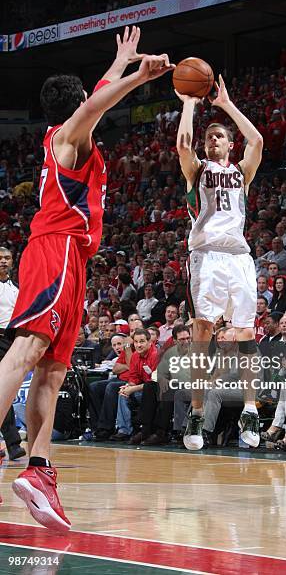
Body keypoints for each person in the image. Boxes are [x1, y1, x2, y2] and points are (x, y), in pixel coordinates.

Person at [0, 26, 174, 531]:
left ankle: (37, 468)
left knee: (52, 370)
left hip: (73, 259)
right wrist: (137, 78)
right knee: (27, 352)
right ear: (79, 106)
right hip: (53, 251)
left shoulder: (67, 135)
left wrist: (118, 63)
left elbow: (91, 101)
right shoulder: (69, 138)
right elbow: (94, 107)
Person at [176, 74, 263, 450]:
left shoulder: (241, 173)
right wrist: (190, 103)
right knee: (202, 334)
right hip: (207, 256)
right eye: (208, 136)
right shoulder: (198, 171)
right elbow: (182, 144)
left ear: (230, 144)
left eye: (219, 136)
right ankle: (196, 413)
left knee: (246, 335)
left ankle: (250, 409)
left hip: (239, 257)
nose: (213, 139)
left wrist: (225, 104)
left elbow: (257, 141)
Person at [0, 247, 26, 461]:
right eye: (0, 258)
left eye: (7, 258)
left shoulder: (17, 288)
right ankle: (13, 443)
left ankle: (12, 442)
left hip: (11, 339)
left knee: (5, 391)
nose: (3, 261)